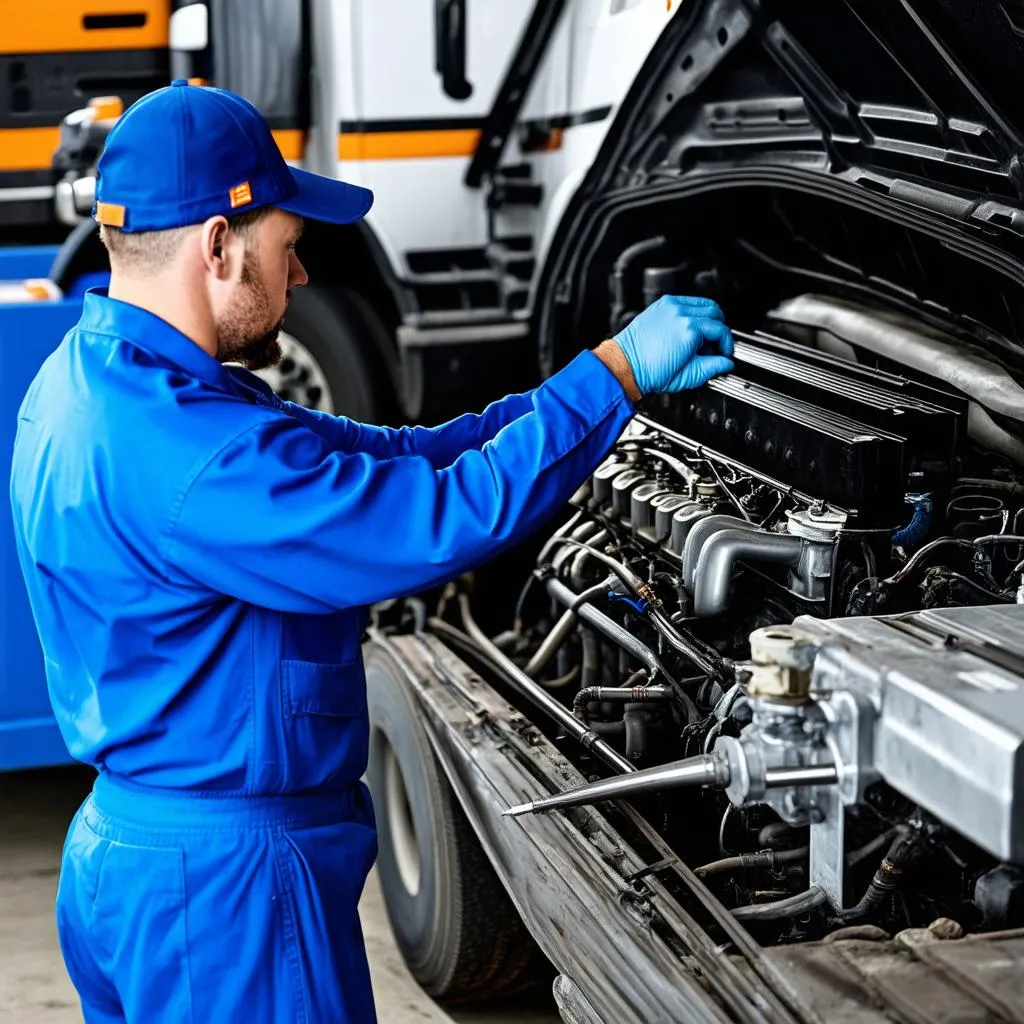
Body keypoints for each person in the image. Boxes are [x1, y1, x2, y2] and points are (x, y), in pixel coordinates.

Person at [8, 81, 734, 1023]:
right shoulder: (198, 456)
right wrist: (618, 375)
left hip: (128, 853)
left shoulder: (92, 383)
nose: (300, 277)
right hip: (228, 891)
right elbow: (430, 519)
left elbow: (386, 461)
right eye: (288, 248)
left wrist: (560, 397)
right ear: (218, 245)